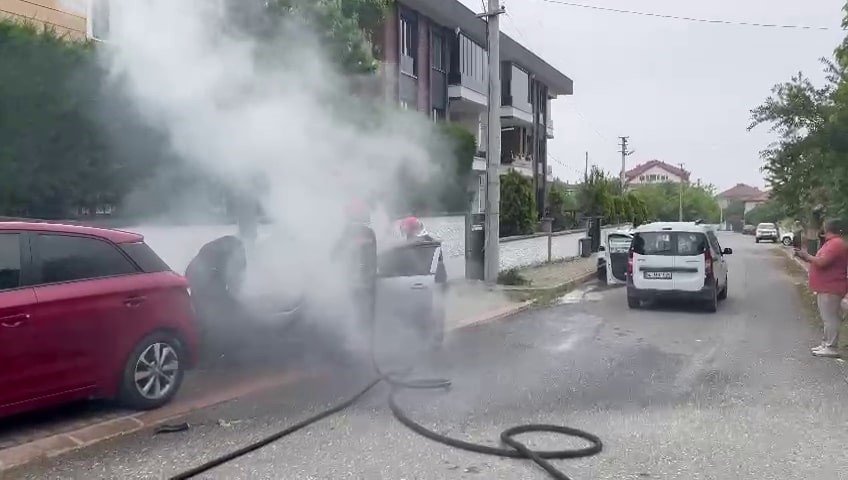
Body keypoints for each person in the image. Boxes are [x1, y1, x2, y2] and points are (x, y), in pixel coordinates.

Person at [794, 218, 848, 358]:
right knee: (827, 318)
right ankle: (826, 344)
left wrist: (807, 256)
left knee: (831, 318)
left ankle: (831, 347)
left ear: (828, 228)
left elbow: (822, 262)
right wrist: (805, 257)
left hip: (831, 286)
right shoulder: (832, 243)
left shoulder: (835, 244)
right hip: (827, 286)